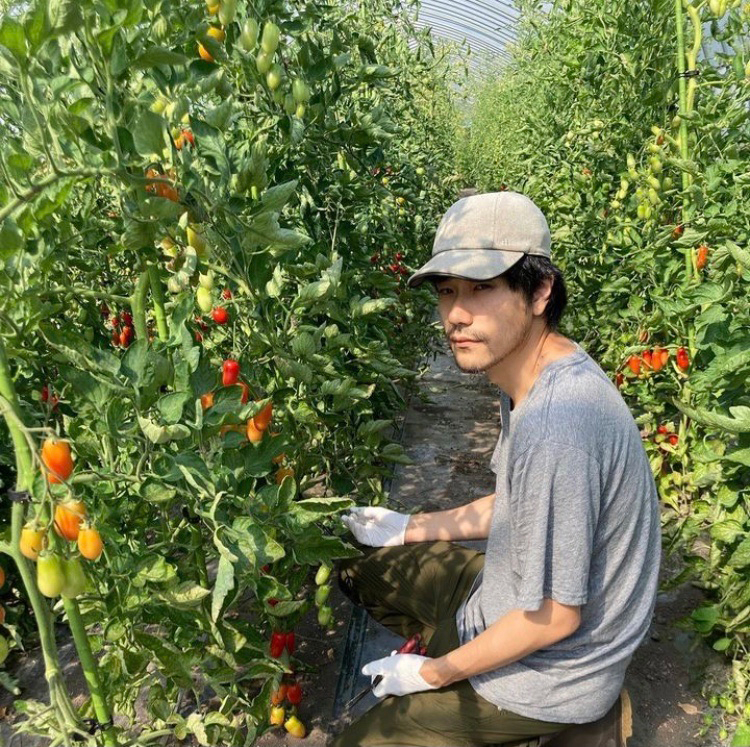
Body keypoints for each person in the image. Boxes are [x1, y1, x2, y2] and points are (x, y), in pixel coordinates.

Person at [329, 191, 661, 747]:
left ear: (539, 292)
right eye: (447, 292)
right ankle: (460, 651)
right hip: (505, 593)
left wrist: (432, 674)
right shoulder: (528, 373)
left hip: (554, 670)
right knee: (359, 568)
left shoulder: (561, 427)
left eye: (482, 289)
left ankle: (577, 722)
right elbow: (518, 503)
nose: (456, 314)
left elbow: (555, 619)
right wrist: (408, 526)